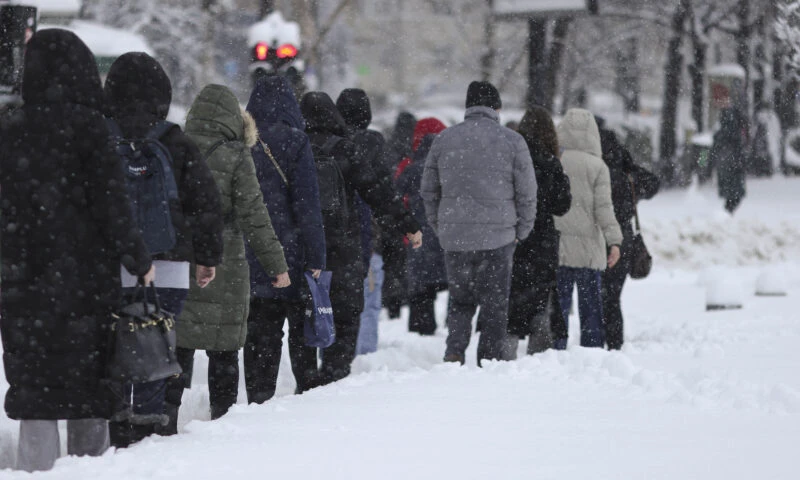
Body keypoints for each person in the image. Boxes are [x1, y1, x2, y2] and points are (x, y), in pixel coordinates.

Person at [0, 29, 155, 472]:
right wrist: (137, 258)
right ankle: (89, 468)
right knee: (90, 385)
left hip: (23, 282)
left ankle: (36, 470)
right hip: (86, 280)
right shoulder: (91, 130)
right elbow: (113, 205)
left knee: (35, 389)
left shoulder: (11, 129)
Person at [103, 52, 224, 447]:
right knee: (157, 344)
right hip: (170, 266)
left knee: (113, 345)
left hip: (110, 265)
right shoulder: (176, 142)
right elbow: (206, 204)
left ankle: (118, 425)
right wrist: (207, 257)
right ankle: (153, 428)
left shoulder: (99, 137)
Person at [163, 84, 290, 431]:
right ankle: (223, 422)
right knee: (225, 351)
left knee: (179, 346)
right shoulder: (236, 154)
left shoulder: (175, 149)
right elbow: (254, 214)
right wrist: (276, 265)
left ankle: (164, 422)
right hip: (226, 263)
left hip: (181, 259)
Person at [300, 91, 422, 384]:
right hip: (343, 243)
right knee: (345, 312)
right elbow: (378, 191)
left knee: (302, 314)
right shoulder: (345, 149)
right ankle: (334, 376)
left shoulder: (294, 147)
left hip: (301, 245)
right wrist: (406, 223)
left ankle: (306, 379)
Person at [421, 81, 538, 365]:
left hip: (456, 238)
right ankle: (488, 360)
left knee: (460, 301)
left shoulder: (443, 140)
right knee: (495, 305)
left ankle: (454, 352)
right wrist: (521, 231)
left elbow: (428, 191)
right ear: (496, 108)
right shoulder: (512, 141)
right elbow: (527, 193)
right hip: (499, 238)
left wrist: (442, 227)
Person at [243, 76, 326, 404]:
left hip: (253, 250)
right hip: (291, 251)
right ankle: (305, 394)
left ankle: (258, 396)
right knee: (299, 327)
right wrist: (317, 255)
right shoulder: (295, 140)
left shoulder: (244, 140)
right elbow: (308, 203)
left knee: (260, 331)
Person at [335, 88, 399, 355]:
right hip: (369, 235)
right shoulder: (375, 143)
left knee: (334, 302)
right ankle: (363, 353)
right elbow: (386, 190)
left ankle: (335, 351)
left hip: (334, 234)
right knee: (369, 301)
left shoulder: (331, 142)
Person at [553, 109, 623, 348]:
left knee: (559, 305)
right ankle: (591, 349)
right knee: (591, 306)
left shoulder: (556, 160)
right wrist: (614, 241)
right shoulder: (598, 167)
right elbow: (604, 209)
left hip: (559, 247)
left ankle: (557, 347)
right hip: (589, 251)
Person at [506, 107, 572, 357]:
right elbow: (562, 205)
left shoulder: (513, 159)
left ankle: (505, 355)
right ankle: (539, 355)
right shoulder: (550, 162)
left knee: (512, 296)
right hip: (542, 238)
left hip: (514, 236)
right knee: (542, 297)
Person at [595, 117, 659, 350]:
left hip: (595, 237)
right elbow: (653, 184)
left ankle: (594, 343)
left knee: (596, 296)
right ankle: (614, 344)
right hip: (624, 238)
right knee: (612, 297)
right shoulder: (625, 173)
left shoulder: (594, 170)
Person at [396, 117, 448, 336]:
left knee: (420, 286)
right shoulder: (450, 166)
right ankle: (455, 324)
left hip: (418, 233)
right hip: (447, 233)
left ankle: (421, 327)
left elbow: (397, 195)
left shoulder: (411, 167)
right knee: (456, 282)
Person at [381, 111, 417, 319]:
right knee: (403, 262)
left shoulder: (388, 148)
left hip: (387, 214)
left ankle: (391, 302)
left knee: (390, 261)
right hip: (405, 214)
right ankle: (400, 298)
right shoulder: (411, 151)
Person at [711, 107, 747, 214]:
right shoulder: (737, 135)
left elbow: (710, 151)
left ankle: (726, 213)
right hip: (735, 168)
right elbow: (741, 152)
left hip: (723, 167)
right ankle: (727, 214)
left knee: (729, 195)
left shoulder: (719, 134)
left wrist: (703, 164)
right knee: (735, 196)